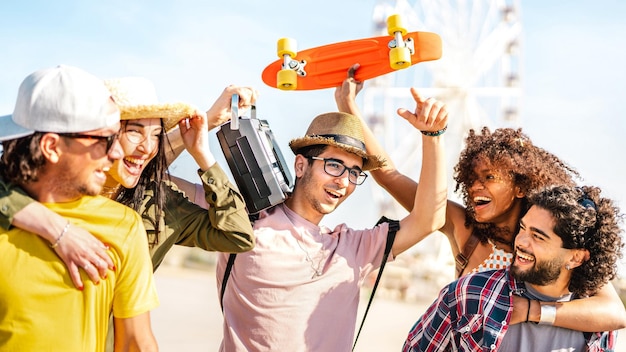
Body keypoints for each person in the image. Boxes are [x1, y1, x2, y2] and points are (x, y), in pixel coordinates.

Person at [335, 63, 626, 331]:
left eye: (488, 178)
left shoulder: (551, 245)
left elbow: (614, 313)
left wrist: (530, 311)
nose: (475, 187)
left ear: (520, 187)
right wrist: (348, 106)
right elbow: (388, 174)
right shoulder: (463, 229)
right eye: (471, 179)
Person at [216, 86, 449, 351]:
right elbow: (164, 187)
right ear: (301, 165)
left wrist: (433, 137)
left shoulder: (353, 250)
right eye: (334, 165)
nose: (343, 182)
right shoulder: (246, 221)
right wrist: (212, 118)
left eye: (354, 173)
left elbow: (430, 218)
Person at [0, 77, 256, 290]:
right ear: (102, 134)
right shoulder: (53, 186)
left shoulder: (160, 206)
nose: (147, 147)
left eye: (156, 135)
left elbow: (239, 235)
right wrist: (55, 228)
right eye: (133, 131)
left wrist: (203, 155)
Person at [0, 65, 159, 351]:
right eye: (105, 139)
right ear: (51, 146)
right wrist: (57, 230)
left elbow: (137, 342)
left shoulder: (123, 226)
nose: (118, 152)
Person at [402, 184, 624, 351]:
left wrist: (532, 311)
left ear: (576, 258)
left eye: (538, 237)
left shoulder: (597, 328)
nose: (521, 242)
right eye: (523, 228)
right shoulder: (469, 294)